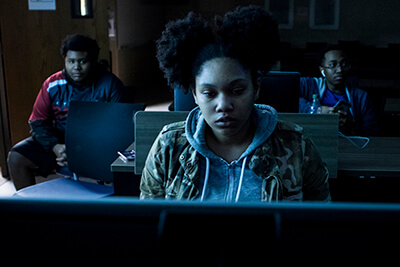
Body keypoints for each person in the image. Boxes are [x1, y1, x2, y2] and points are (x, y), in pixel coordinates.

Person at [140, 6, 331, 202]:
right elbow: (149, 222)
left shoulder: (296, 146)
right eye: (209, 93)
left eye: (237, 91)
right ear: (195, 95)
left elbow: (320, 218)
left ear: (256, 88)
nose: (223, 105)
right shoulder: (169, 146)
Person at [8, 34, 125, 190]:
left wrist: (83, 149)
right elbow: (38, 122)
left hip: (99, 144)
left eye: (83, 62)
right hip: (60, 142)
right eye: (71, 61)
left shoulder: (110, 84)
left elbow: (119, 125)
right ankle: (27, 210)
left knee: (125, 164)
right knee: (16, 158)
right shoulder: (52, 84)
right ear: (65, 61)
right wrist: (56, 147)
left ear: (94, 61)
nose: (76, 67)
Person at [299, 46, 378, 136]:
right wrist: (318, 110)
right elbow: (287, 98)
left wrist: (350, 125)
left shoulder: (361, 97)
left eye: (344, 64)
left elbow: (371, 133)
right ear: (322, 70)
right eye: (332, 65)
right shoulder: (308, 85)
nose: (340, 70)